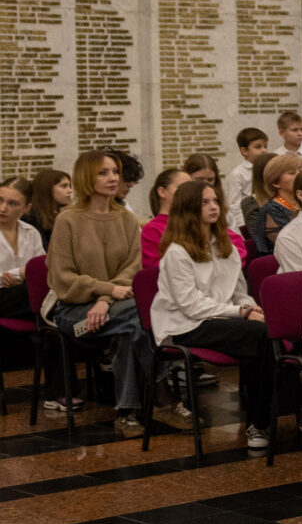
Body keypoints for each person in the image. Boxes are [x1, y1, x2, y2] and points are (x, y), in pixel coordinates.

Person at [151, 179, 277, 450]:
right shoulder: (177, 252)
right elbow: (192, 306)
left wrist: (251, 307)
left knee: (267, 336)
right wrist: (241, 312)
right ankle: (266, 419)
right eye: (205, 202)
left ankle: (262, 420)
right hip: (185, 325)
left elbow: (238, 292)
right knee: (261, 336)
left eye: (215, 201)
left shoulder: (224, 245)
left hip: (221, 319)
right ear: (188, 208)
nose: (213, 207)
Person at [45, 151, 151, 434]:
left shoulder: (126, 218)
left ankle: (127, 413)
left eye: (115, 171)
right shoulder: (68, 220)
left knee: (129, 329)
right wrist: (108, 291)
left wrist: (105, 300)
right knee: (139, 316)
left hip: (111, 310)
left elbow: (132, 268)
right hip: (74, 315)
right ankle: (162, 390)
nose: (113, 178)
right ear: (85, 177)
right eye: (103, 173)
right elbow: (62, 276)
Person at [0, 177, 44, 322]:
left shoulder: (31, 232)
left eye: (12, 203)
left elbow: (42, 271)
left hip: (22, 296)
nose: (3, 208)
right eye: (0, 200)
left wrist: (24, 276)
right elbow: (30, 272)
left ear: (27, 208)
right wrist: (20, 273)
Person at [138, 169, 191, 270]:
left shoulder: (195, 223)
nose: (190, 193)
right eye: (182, 188)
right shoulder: (152, 230)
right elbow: (154, 269)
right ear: (162, 192)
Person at [226, 128, 270, 231]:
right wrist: (243, 228)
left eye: (265, 146)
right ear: (244, 151)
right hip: (249, 222)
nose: (264, 150)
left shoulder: (268, 169)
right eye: (258, 147)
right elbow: (234, 205)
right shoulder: (237, 174)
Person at [25, 168, 74, 241]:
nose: (70, 190)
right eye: (64, 186)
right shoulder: (30, 219)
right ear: (47, 189)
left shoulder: (57, 215)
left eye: (70, 186)